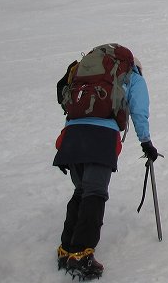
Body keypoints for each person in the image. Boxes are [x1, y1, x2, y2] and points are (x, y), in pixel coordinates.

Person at [53, 46, 157, 280]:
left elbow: (65, 97)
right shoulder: (133, 75)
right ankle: (82, 253)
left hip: (72, 135)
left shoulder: (87, 72)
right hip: (100, 136)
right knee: (95, 193)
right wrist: (146, 142)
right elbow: (139, 111)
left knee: (81, 190)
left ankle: (66, 249)